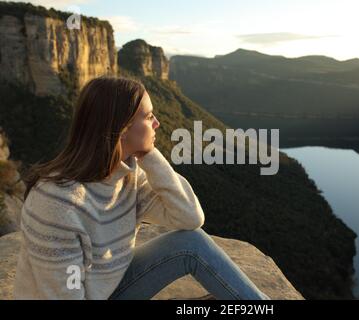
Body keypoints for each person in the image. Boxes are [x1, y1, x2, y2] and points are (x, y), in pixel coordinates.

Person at [13, 76, 271, 300]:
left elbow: (189, 218)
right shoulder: (57, 203)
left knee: (191, 243)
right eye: (148, 117)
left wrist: (149, 156)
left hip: (111, 286)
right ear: (122, 129)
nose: (157, 123)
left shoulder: (126, 175)